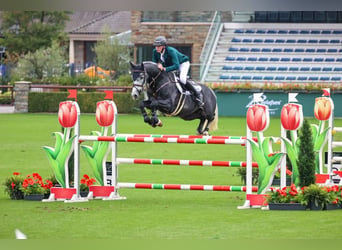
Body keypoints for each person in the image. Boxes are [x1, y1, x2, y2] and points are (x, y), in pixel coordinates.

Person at [152, 35, 204, 107]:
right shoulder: (155, 51)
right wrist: (158, 65)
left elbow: (176, 66)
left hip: (182, 63)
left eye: (158, 46)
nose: (156, 48)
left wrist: (164, 69)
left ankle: (198, 95)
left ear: (164, 46)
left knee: (182, 79)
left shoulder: (171, 51)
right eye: (156, 46)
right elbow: (154, 63)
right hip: (170, 65)